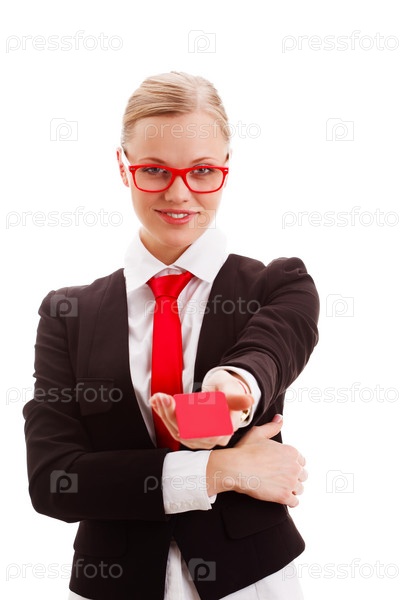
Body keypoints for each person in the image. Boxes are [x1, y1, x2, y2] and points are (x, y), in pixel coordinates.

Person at [23, 71, 320, 600]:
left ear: (226, 168)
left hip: (252, 582)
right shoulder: (68, 313)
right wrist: (219, 470)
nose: (179, 193)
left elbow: (267, 354)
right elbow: (54, 481)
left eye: (202, 170)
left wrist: (228, 395)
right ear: (123, 166)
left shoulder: (278, 284)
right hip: (113, 583)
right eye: (155, 170)